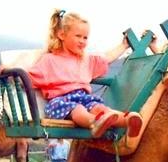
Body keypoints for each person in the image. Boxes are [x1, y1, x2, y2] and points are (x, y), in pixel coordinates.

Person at [26, 9, 143, 139]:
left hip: (84, 98)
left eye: (85, 37)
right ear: (61, 35)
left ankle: (127, 120)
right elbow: (28, 77)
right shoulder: (49, 60)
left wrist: (123, 45)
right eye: (78, 36)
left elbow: (107, 58)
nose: (82, 41)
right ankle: (94, 123)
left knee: (100, 108)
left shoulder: (85, 60)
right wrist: (7, 70)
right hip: (61, 101)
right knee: (78, 110)